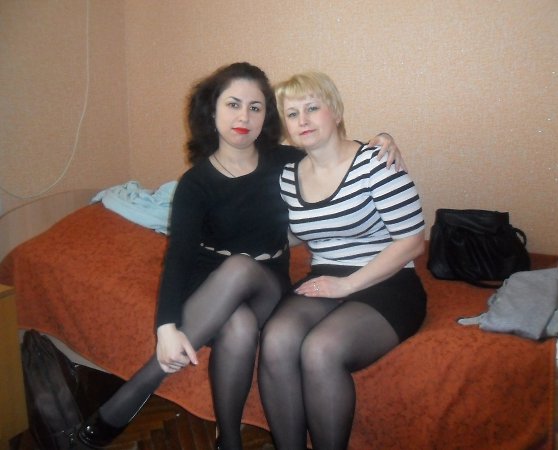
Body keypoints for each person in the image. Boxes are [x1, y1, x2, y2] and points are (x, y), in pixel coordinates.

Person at [76, 62, 404, 450]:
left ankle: (139, 387)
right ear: (212, 111)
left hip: (268, 279)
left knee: (241, 268)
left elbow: (336, 153)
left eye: (255, 107)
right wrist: (165, 328)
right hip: (208, 283)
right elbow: (178, 258)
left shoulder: (285, 162)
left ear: (267, 116)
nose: (244, 117)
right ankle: (228, 439)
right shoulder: (195, 183)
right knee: (239, 324)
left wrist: (381, 140)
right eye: (233, 105)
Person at [258, 72, 427, 450]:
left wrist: (347, 285)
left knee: (321, 350)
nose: (303, 120)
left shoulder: (376, 162)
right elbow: (300, 231)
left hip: (389, 280)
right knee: (276, 340)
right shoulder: (288, 176)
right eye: (292, 114)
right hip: (325, 274)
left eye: (312, 108)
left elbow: (413, 242)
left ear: (335, 112)